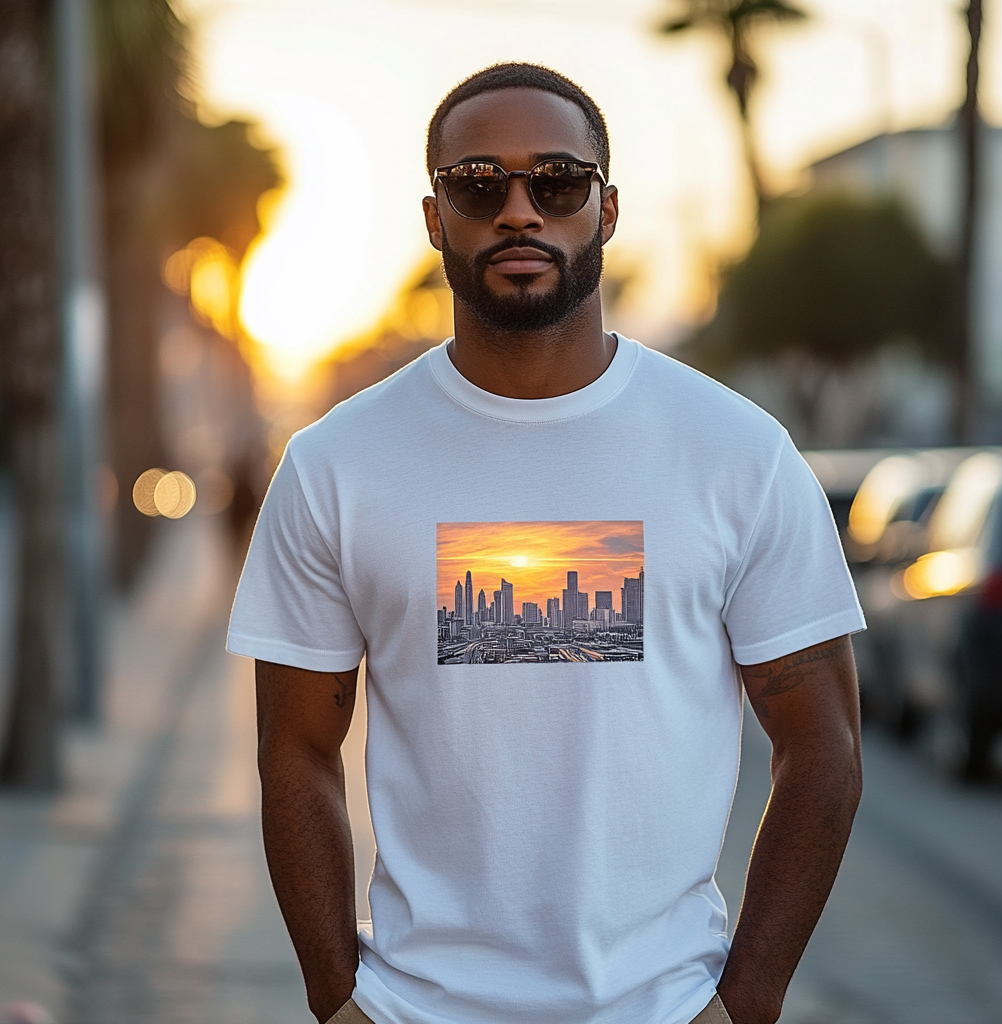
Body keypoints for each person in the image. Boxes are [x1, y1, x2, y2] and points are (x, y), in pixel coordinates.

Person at [228, 63, 864, 1024]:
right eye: (479, 185)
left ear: (605, 211)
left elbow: (825, 746)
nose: (519, 212)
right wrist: (336, 998)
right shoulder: (335, 465)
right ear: (437, 217)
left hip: (662, 1005)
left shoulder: (739, 454)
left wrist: (746, 1003)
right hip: (414, 1009)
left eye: (557, 182)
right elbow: (295, 751)